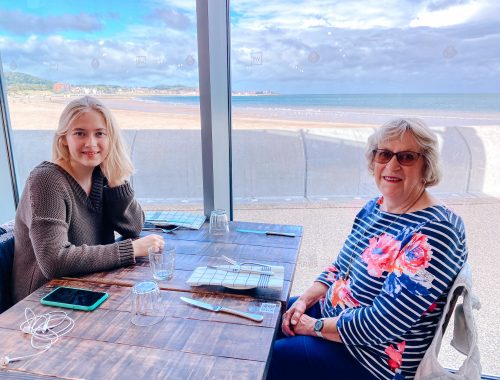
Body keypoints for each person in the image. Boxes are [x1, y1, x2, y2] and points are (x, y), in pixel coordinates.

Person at [267, 118, 468, 380]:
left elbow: (385, 323)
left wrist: (313, 326)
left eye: (406, 157)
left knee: (271, 357)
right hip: (332, 320)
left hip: (372, 358)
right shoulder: (375, 207)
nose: (392, 165)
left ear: (425, 166)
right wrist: (306, 299)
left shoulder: (437, 232)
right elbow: (340, 267)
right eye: (384, 154)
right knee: (266, 317)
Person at [12, 96, 163, 303]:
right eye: (80, 133)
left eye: (100, 134)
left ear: (111, 138)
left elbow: (134, 227)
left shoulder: (100, 174)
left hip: (91, 286)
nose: (91, 143)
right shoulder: (46, 180)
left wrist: (116, 178)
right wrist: (131, 249)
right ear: (64, 138)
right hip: (43, 302)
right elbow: (53, 260)